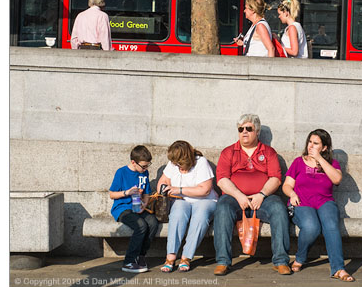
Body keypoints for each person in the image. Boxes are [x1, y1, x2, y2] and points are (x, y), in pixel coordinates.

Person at [212, 114, 291, 275]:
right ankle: (222, 261)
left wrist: (261, 194)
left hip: (263, 199)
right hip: (234, 198)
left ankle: (281, 261)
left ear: (257, 132)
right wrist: (239, 195)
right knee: (222, 208)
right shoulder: (229, 152)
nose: (244, 132)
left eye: (249, 128)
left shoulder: (268, 152)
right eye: (241, 129)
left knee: (279, 209)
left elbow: (276, 179)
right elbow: (221, 180)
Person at [282, 129, 354, 281]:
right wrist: (292, 194)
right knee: (311, 227)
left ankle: (338, 268)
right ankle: (300, 257)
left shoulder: (332, 164)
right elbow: (286, 185)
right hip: (302, 202)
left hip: (324, 202)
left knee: (331, 225)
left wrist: (320, 159)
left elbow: (337, 180)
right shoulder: (298, 162)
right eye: (310, 142)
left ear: (324, 147)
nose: (311, 146)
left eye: (316, 143)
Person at [156, 140, 218, 273]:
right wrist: (163, 189)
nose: (177, 166)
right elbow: (163, 180)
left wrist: (179, 189)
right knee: (177, 213)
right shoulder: (173, 163)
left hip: (205, 200)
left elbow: (205, 190)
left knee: (200, 215)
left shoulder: (200, 162)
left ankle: (186, 257)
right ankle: (170, 257)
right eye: (175, 163)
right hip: (182, 200)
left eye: (179, 163)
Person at [108, 145, 158, 273]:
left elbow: (146, 193)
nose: (146, 168)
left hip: (138, 207)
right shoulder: (122, 172)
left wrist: (144, 205)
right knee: (140, 225)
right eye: (143, 166)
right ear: (133, 162)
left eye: (148, 165)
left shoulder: (144, 173)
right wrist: (127, 192)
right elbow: (112, 194)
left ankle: (140, 256)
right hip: (122, 208)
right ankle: (129, 261)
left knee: (152, 222)